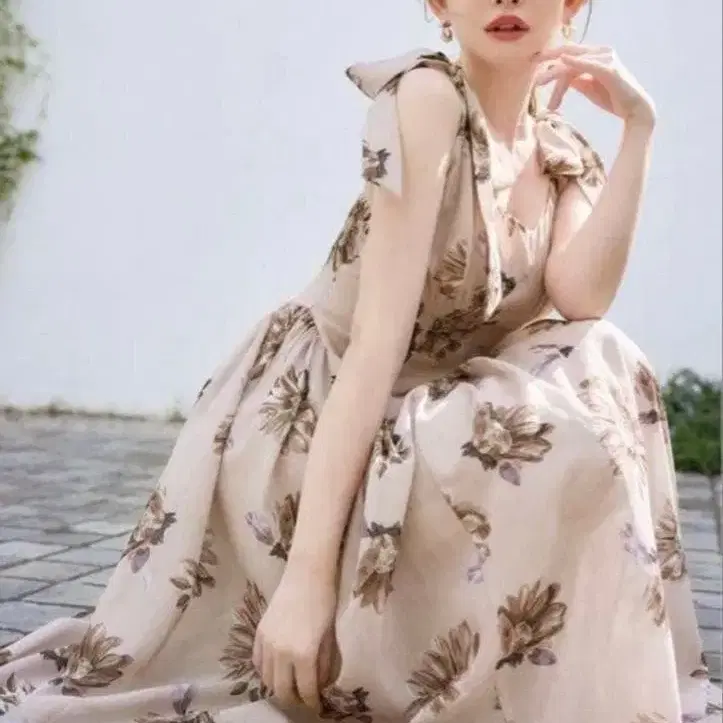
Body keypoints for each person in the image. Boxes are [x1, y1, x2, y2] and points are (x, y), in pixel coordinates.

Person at [1, 0, 721, 721]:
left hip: (433, 420)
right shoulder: (429, 100)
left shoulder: (560, 152)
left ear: (571, 4)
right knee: (559, 433)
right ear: (438, 4)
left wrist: (639, 129)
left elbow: (583, 299)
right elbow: (375, 347)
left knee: (603, 358)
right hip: (323, 413)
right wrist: (305, 586)